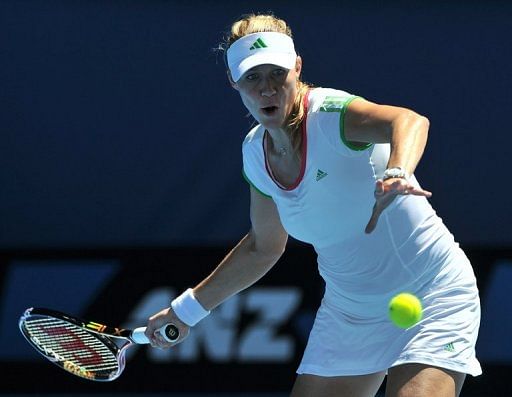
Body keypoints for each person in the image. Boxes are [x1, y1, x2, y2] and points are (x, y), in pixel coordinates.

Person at [144, 13, 481, 397]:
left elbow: (410, 120)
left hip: (432, 293)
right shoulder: (255, 152)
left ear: (297, 68)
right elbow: (263, 247)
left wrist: (398, 171)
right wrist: (186, 311)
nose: (267, 88)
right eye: (253, 77)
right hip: (349, 312)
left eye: (276, 73)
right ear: (233, 82)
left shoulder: (331, 114)